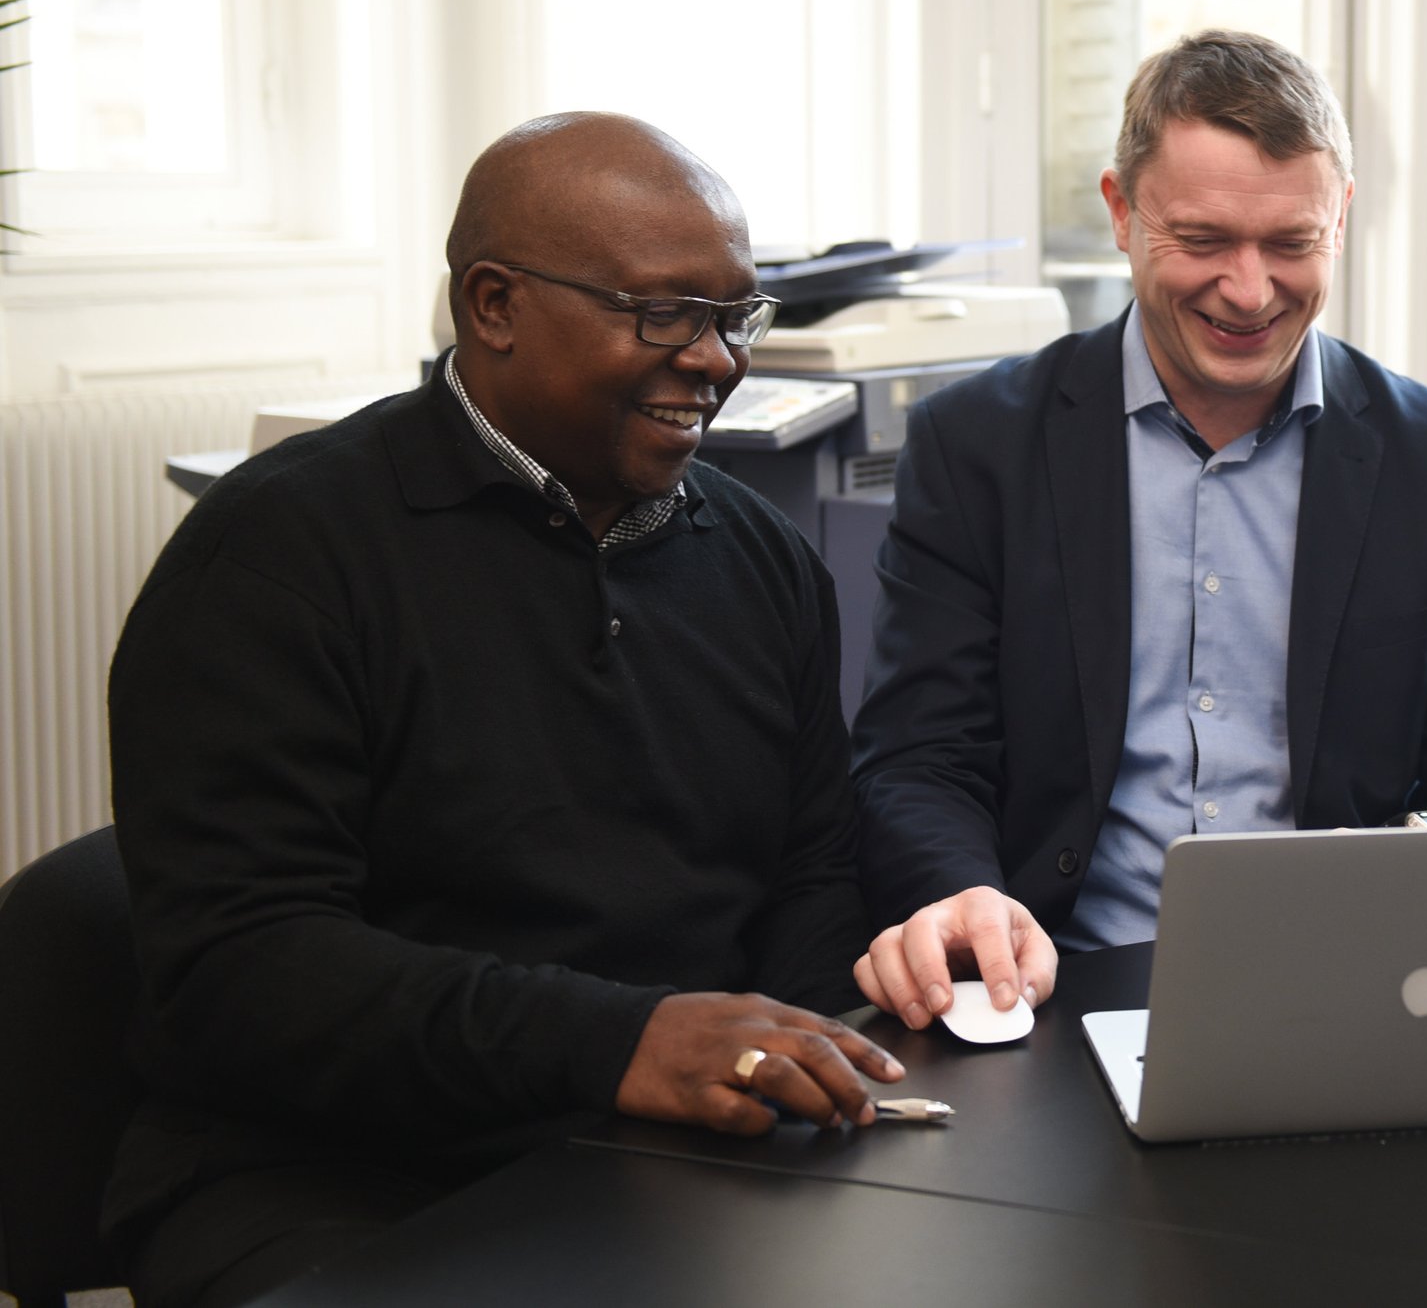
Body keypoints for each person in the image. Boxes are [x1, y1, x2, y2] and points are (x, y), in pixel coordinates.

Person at [106, 114, 899, 1308]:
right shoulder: (279, 558)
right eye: (665, 314)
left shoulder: (760, 558)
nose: (719, 360)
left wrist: (815, 1063)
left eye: (737, 315)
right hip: (337, 1171)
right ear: (493, 304)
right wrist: (621, 1043)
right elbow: (247, 970)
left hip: (669, 1151)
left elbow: (808, 871)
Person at [849, 30, 1427, 1028]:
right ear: (1119, 211)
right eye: (1202, 240)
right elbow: (920, 756)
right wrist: (964, 892)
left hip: (1353, 996)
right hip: (1057, 989)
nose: (1248, 290)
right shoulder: (979, 446)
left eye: (1290, 243)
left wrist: (1411, 854)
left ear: (1343, 217)